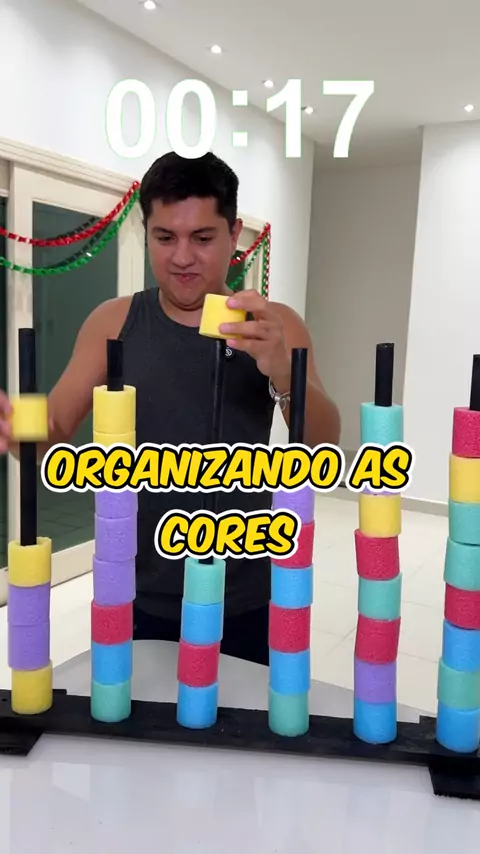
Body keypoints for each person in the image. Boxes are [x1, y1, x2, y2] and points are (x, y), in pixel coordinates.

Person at [0, 151, 340, 665]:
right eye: (164, 237)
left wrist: (282, 370)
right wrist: (16, 428)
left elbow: (325, 446)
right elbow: (54, 427)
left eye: (202, 238)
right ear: (146, 233)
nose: (182, 257)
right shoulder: (113, 322)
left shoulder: (274, 324)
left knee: (241, 712)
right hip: (136, 588)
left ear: (234, 234)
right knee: (131, 709)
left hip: (244, 587)